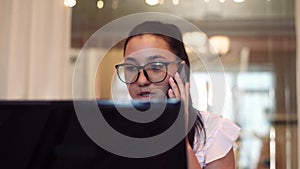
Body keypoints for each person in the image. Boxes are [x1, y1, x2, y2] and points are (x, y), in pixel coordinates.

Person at [114, 21, 240, 169]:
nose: (141, 80)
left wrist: (180, 138)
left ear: (180, 71)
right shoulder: (114, 131)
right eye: (131, 67)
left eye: (156, 67)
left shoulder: (213, 132)